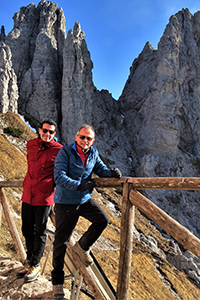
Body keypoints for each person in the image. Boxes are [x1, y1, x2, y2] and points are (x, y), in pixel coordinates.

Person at [50, 124, 122, 299]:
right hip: (66, 202)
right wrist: (79, 186)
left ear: (93, 141)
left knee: (103, 219)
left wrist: (112, 173)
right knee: (61, 242)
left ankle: (82, 247)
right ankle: (57, 284)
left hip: (83, 200)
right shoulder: (65, 152)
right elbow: (59, 176)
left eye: (88, 138)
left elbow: (101, 169)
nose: (85, 141)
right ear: (76, 137)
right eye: (82, 137)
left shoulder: (93, 153)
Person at [16, 119, 62, 283]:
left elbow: (62, 172)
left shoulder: (59, 150)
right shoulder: (30, 145)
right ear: (39, 130)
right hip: (28, 194)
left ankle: (35, 264)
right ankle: (29, 261)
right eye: (45, 130)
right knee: (26, 229)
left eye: (51, 132)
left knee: (39, 231)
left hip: (44, 197)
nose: (47, 134)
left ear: (54, 134)